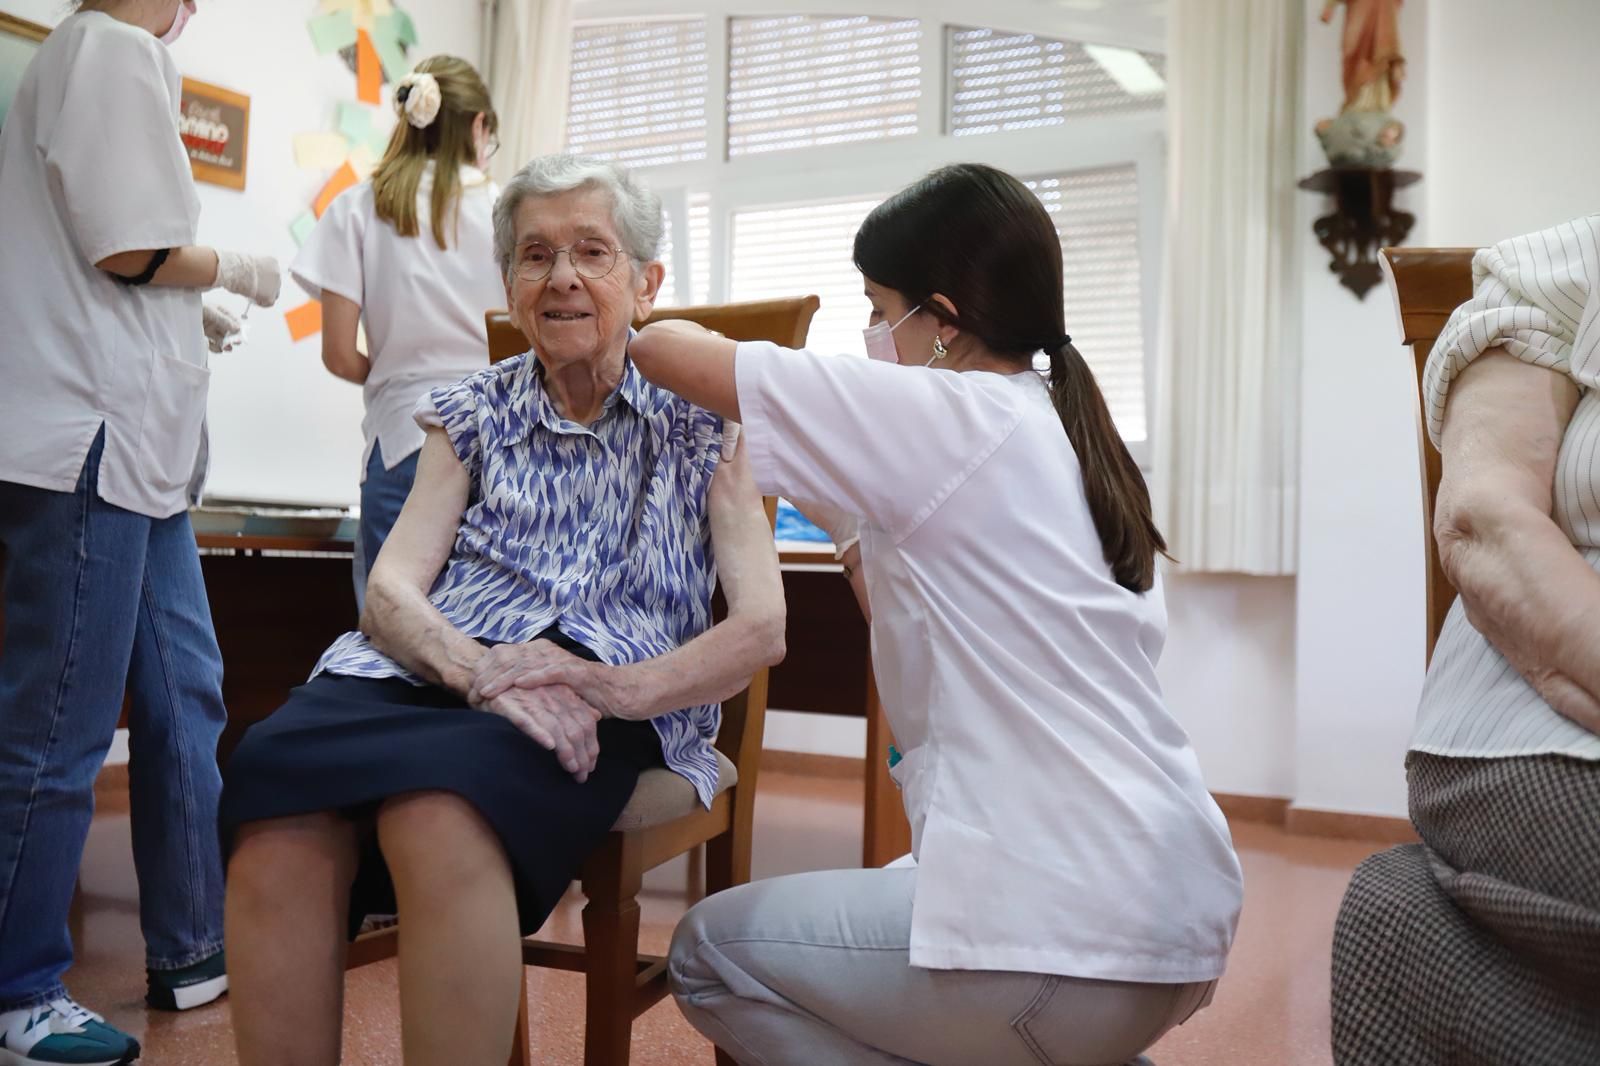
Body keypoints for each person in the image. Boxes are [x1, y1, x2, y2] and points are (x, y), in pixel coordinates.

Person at [594, 162, 1245, 1066]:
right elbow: (907, 606)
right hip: (1165, 913)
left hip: (1059, 926)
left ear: (941, 320)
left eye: (878, 308)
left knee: (707, 955)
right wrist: (841, 516)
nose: (871, 333)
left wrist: (627, 306)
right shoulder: (1065, 437)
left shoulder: (950, 411)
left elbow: (671, 354)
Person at [219, 154, 785, 1066]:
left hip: (606, 690)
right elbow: (391, 591)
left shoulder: (701, 417)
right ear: (510, 284)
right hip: (438, 663)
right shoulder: (471, 410)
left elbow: (762, 627)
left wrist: (609, 687)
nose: (561, 277)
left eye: (591, 251)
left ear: (646, 284)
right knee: (273, 784)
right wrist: (479, 671)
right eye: (535, 254)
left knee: (438, 810)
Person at [0, 0, 281, 1062]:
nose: (193, 8)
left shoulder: (88, 58)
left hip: (138, 452)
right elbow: (128, 248)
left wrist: (182, 306)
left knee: (186, 692)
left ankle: (193, 944)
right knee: (60, 726)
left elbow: (96, 250)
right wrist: (231, 269)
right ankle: (18, 994)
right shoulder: (110, 48)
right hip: (92, 439)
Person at [1331, 217, 1600, 1063]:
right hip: (1555, 738)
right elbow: (1485, 518)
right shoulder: (1567, 268)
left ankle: (1402, 935)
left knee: (1396, 903)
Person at [291, 55, 505, 609]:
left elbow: (339, 355)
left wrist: (398, 373)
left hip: (400, 441)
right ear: (479, 125)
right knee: (491, 624)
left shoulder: (358, 206)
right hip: (499, 441)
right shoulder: (507, 210)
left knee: (393, 626)